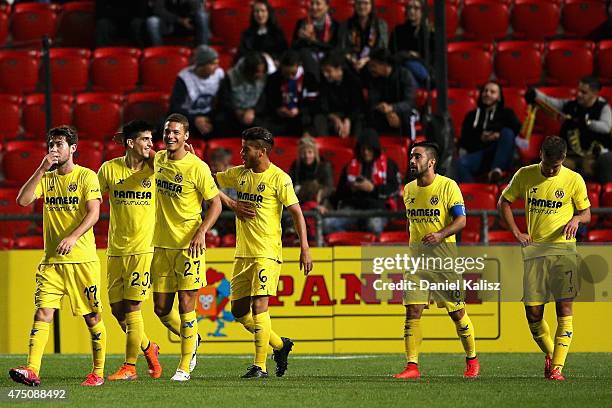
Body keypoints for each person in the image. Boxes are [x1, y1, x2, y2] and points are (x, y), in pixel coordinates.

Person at [10, 126, 106, 387]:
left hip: (82, 261)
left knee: (92, 316)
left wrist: (73, 237)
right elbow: (22, 200)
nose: (54, 149)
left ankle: (98, 372)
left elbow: (94, 213)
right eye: (51, 145)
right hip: (52, 262)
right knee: (42, 313)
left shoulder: (87, 177)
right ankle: (32, 369)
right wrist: (41, 169)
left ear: (73, 148)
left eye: (59, 145)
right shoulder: (47, 178)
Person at [215, 127, 313, 378]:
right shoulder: (239, 174)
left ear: (262, 151)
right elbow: (210, 181)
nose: (241, 152)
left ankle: (260, 366)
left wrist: (305, 247)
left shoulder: (280, 179)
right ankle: (280, 345)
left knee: (260, 305)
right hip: (242, 254)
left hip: (267, 252)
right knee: (238, 311)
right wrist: (232, 204)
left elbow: (297, 213)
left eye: (246, 148)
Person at [498, 135, 591, 381]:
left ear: (563, 160)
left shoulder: (573, 179)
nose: (551, 170)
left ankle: (557, 369)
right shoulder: (525, 175)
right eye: (548, 164)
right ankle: (552, 354)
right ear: (540, 154)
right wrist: (517, 232)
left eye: (556, 166)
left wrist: (576, 219)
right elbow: (504, 202)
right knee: (533, 315)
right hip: (535, 253)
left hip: (564, 252)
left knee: (564, 308)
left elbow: (587, 213)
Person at [395, 141, 479, 379]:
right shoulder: (408, 189)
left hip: (444, 262)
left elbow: (461, 221)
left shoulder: (448, 186)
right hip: (417, 262)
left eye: (417, 157)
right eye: (411, 156)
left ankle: (472, 359)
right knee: (413, 311)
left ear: (431, 162)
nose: (412, 161)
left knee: (457, 313)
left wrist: (441, 234)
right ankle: (412, 366)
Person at [151, 113, 222, 381]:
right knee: (160, 309)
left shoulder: (197, 167)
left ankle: (183, 366)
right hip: (161, 245)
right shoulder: (157, 159)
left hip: (188, 246)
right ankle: (192, 338)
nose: (170, 136)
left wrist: (201, 232)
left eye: (176, 132)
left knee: (186, 304)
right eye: (168, 131)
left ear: (186, 136)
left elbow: (215, 203)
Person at [97, 120, 162, 381]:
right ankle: (149, 347)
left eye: (151, 139)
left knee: (133, 307)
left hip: (143, 249)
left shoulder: (155, 168)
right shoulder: (109, 169)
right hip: (115, 249)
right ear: (130, 143)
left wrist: (150, 153)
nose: (150, 144)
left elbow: (170, 163)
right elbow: (92, 200)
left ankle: (130, 367)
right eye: (145, 139)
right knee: (117, 310)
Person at [526, 76, 612, 181]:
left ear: (595, 94)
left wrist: (586, 122)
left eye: (584, 92)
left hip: (593, 156)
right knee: (543, 163)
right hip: (569, 156)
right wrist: (535, 94)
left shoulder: (603, 108)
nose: (578, 94)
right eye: (578, 90)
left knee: (603, 161)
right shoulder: (571, 105)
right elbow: (551, 102)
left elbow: (606, 127)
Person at [330, 128, 400, 234]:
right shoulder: (349, 166)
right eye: (363, 149)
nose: (366, 153)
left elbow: (395, 189)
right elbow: (339, 194)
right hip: (353, 208)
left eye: (369, 149)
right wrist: (351, 189)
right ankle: (350, 244)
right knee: (327, 224)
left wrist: (373, 189)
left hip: (378, 208)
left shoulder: (389, 165)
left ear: (375, 149)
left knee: (374, 226)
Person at [458, 81, 522, 183]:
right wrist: (481, 137)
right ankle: (476, 193)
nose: (487, 94)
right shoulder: (471, 116)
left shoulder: (507, 113)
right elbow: (464, 140)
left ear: (499, 97)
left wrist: (498, 135)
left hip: (501, 153)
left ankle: (496, 171)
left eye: (492, 92)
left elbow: (517, 131)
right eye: (485, 91)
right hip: (481, 154)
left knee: (507, 132)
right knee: (460, 163)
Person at [169, 45, 225, 139]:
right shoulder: (184, 78)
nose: (216, 67)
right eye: (212, 64)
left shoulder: (219, 74)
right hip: (188, 116)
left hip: (210, 115)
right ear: (201, 65)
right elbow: (175, 107)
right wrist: (194, 119)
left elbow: (222, 100)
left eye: (217, 63)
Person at [263, 50, 318, 137]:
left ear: (298, 66)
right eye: (286, 73)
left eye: (293, 73)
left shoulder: (309, 78)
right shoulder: (273, 79)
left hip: (302, 118)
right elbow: (269, 100)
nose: (290, 77)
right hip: (279, 118)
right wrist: (278, 109)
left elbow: (313, 103)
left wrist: (299, 110)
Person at [364, 48, 416, 137]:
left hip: (402, 111)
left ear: (384, 65)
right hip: (382, 111)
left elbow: (409, 102)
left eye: (374, 66)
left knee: (407, 117)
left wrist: (392, 108)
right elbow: (372, 100)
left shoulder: (404, 75)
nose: (371, 69)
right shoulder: (374, 78)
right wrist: (387, 111)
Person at [312, 52, 364, 138]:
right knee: (319, 118)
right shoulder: (323, 81)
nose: (325, 74)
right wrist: (334, 118)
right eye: (323, 71)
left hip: (350, 116)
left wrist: (348, 120)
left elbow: (358, 106)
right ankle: (325, 144)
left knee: (360, 120)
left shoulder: (353, 80)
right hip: (332, 115)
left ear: (339, 69)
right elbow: (322, 105)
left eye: (328, 71)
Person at [217, 52, 268, 136]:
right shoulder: (231, 77)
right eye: (257, 72)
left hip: (254, 112)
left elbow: (263, 99)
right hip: (232, 113)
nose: (260, 75)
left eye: (262, 72)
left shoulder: (264, 77)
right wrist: (237, 111)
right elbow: (224, 100)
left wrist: (253, 110)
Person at [389, 0, 434, 88]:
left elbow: (431, 55)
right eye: (409, 8)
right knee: (407, 66)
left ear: (422, 11)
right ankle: (426, 81)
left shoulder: (429, 32)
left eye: (416, 8)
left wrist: (413, 56)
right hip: (401, 66)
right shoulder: (398, 30)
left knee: (410, 68)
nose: (412, 11)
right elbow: (393, 53)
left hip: (423, 66)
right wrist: (410, 54)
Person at [291, 0, 340, 79]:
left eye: (318, 4)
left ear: (327, 7)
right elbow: (293, 48)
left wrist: (313, 41)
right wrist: (301, 39)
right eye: (312, 3)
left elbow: (335, 48)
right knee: (304, 53)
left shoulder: (335, 25)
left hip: (327, 59)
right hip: (307, 61)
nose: (314, 7)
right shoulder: (302, 23)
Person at [338, 0, 388, 72]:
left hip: (373, 60)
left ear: (371, 5)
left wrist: (366, 59)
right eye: (359, 3)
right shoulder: (346, 25)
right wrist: (352, 59)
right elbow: (342, 48)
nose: (361, 6)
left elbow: (382, 48)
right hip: (351, 61)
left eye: (365, 3)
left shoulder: (380, 25)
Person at [237, 0, 288, 64]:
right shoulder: (247, 33)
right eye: (256, 11)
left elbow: (283, 52)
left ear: (268, 13)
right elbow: (242, 52)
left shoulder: (277, 32)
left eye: (263, 11)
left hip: (271, 64)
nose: (259, 14)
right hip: (251, 65)